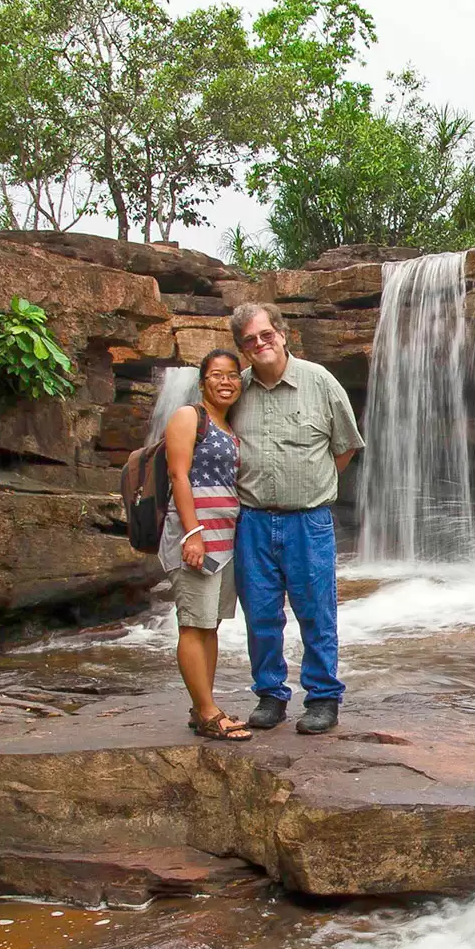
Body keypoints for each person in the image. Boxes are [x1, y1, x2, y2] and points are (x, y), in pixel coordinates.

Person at [228, 302, 365, 735]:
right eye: (249, 340)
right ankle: (271, 695)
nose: (259, 344)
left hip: (309, 521)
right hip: (251, 522)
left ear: (282, 334)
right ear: (242, 349)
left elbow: (345, 447)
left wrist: (310, 485)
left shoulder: (319, 381)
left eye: (266, 335)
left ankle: (323, 698)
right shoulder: (238, 391)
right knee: (262, 615)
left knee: (316, 613)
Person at [160, 348, 250, 740]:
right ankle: (210, 713)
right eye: (217, 374)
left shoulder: (229, 429)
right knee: (193, 625)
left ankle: (203, 708)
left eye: (232, 375)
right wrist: (192, 533)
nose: (226, 381)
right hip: (196, 535)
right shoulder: (188, 417)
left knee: (209, 625)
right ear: (202, 382)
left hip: (226, 536)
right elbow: (179, 477)